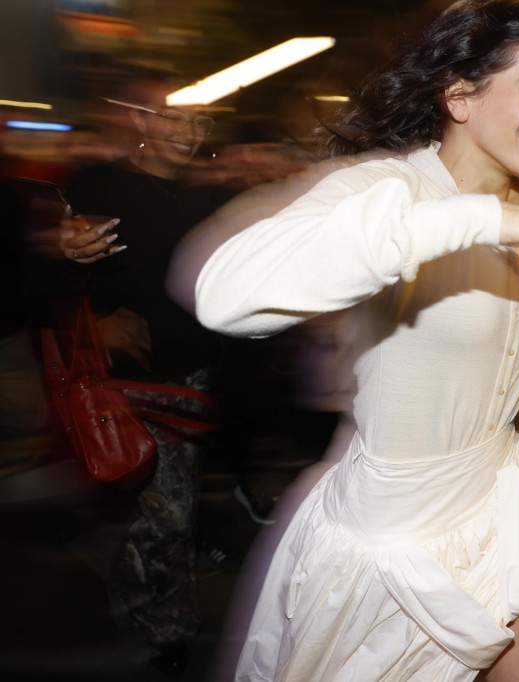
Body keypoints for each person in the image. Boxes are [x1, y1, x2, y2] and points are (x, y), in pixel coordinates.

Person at [183, 1, 519, 680]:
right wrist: (478, 218)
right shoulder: (385, 190)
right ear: (460, 94)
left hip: (502, 492)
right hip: (399, 533)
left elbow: (491, 320)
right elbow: (226, 297)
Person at [57, 71, 233, 676]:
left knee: (166, 508)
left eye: (197, 120)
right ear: (139, 121)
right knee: (169, 511)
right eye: (171, 117)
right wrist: (97, 316)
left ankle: (137, 591)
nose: (186, 132)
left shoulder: (205, 196)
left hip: (195, 373)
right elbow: (58, 270)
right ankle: (167, 626)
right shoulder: (102, 186)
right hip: (130, 378)